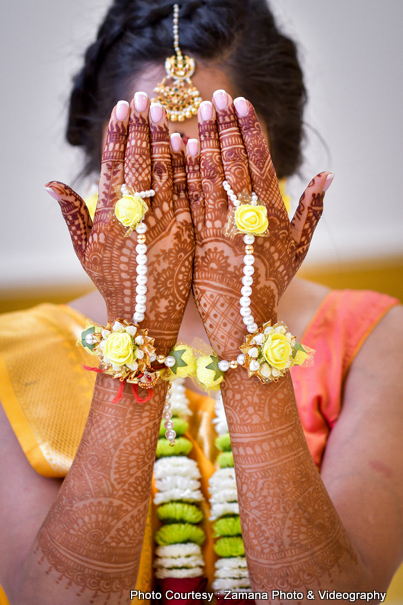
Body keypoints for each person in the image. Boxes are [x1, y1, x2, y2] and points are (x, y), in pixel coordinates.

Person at [0, 1, 402, 604]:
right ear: (102, 164)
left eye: (214, 155)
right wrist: (138, 329)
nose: (180, 190)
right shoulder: (17, 356)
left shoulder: (376, 339)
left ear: (275, 161)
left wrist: (245, 327)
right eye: (151, 155)